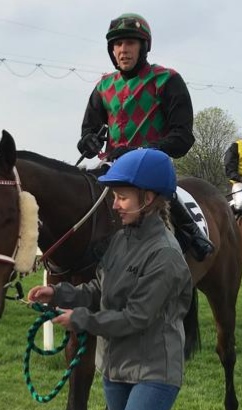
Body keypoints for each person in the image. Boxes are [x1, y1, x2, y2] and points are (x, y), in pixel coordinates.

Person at [28, 148, 193, 410]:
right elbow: (100, 287)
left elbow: (137, 317)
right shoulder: (120, 241)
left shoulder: (166, 256)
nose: (114, 205)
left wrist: (81, 318)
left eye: (121, 197)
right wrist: (58, 292)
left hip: (154, 371)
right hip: (115, 368)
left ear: (148, 199)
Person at [76, 12, 213, 261]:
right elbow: (89, 129)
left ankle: (194, 238)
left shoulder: (167, 80)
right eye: (117, 44)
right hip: (112, 167)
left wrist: (140, 152)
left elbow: (182, 137)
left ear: (143, 47)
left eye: (130, 43)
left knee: (168, 196)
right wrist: (88, 140)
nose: (123, 50)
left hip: (153, 169)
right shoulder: (103, 86)